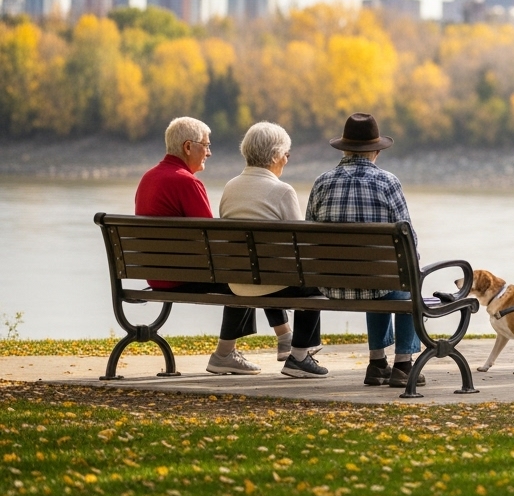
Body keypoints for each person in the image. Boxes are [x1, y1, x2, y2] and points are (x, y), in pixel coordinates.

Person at [135, 116, 290, 375]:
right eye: (205, 145)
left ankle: (278, 338)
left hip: (157, 273)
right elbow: (214, 240)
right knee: (251, 269)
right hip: (183, 276)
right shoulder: (186, 182)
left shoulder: (149, 178)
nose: (209, 152)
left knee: (247, 267)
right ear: (188, 147)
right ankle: (241, 349)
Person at [306, 113, 421, 388]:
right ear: (377, 151)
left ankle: (377, 363)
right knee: (401, 280)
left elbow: (309, 233)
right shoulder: (388, 183)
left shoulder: (322, 182)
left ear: (344, 148)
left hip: (331, 284)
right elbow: (409, 240)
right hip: (377, 281)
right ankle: (403, 365)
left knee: (378, 278)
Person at [219, 122, 328, 378]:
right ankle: (299, 356)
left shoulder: (230, 187)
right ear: (276, 155)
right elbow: (301, 247)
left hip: (237, 281)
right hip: (270, 282)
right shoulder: (282, 191)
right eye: (286, 155)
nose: (287, 160)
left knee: (262, 265)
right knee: (317, 281)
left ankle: (289, 341)